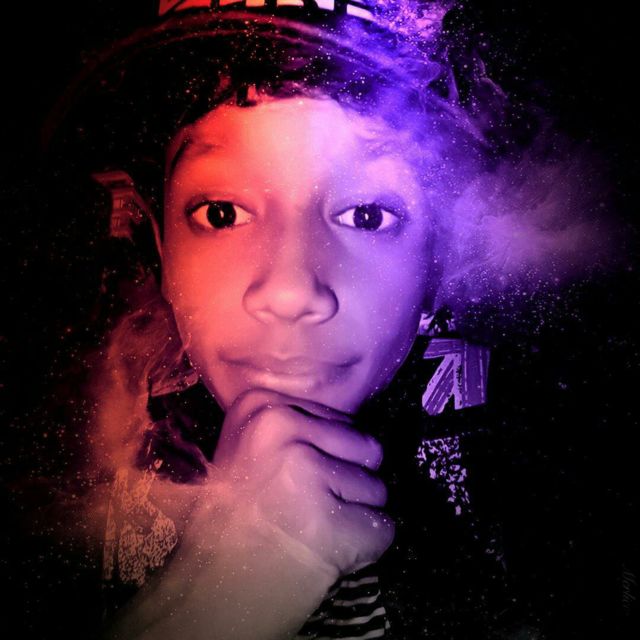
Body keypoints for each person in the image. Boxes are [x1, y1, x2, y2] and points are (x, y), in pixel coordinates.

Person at [29, 1, 620, 639]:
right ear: (161, 250)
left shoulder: (558, 472)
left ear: (437, 266)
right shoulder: (61, 453)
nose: (290, 291)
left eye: (367, 215)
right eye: (222, 213)